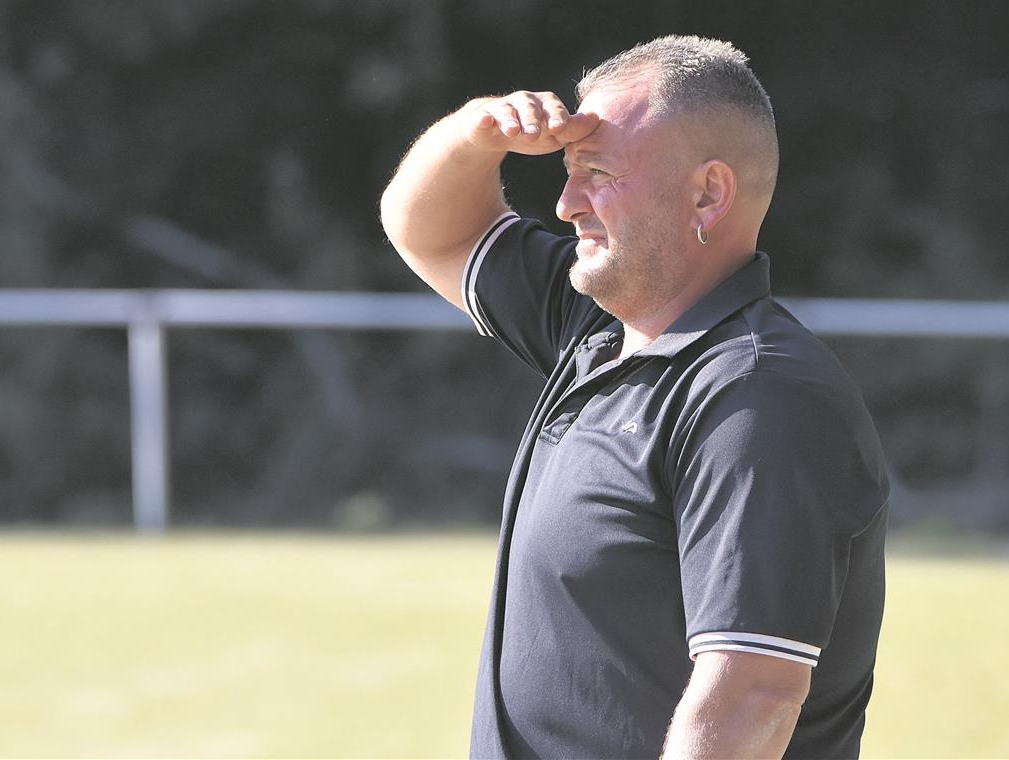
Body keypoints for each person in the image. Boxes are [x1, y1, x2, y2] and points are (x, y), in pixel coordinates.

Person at [381, 35, 889, 759]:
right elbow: (428, 229)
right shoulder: (598, 326)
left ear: (708, 193)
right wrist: (478, 132)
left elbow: (752, 700)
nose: (565, 203)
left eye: (598, 172)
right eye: (568, 172)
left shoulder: (758, 396)